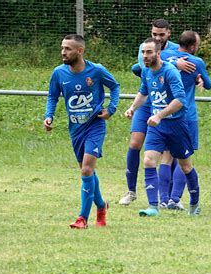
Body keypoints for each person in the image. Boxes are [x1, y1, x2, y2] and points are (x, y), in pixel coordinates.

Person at [44, 34, 120, 229]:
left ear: (80, 51)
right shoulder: (59, 73)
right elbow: (53, 96)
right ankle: (101, 207)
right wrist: (49, 115)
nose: (63, 52)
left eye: (68, 48)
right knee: (87, 172)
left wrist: (111, 109)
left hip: (94, 126)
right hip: (75, 128)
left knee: (86, 169)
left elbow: (115, 86)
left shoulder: (96, 70)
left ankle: (82, 218)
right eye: (62, 48)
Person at [119, 19, 196, 206]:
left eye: (161, 35)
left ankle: (170, 197)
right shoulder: (146, 48)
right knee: (137, 143)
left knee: (171, 154)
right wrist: (132, 107)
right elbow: (143, 67)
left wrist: (197, 76)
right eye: (154, 34)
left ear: (169, 33)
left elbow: (193, 66)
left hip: (168, 108)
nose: (157, 37)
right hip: (148, 104)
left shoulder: (178, 50)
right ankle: (132, 191)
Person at [160, 31, 211, 210]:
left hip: (166, 113)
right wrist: (199, 77)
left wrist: (173, 63)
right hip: (186, 116)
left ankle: (163, 199)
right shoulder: (196, 62)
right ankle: (175, 199)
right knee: (185, 157)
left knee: (166, 157)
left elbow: (139, 67)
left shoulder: (164, 56)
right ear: (192, 47)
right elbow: (209, 84)